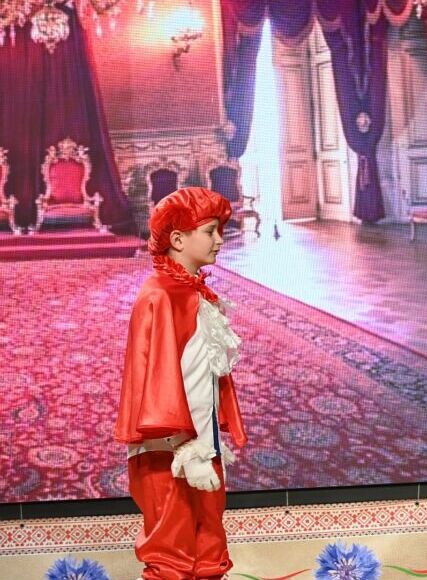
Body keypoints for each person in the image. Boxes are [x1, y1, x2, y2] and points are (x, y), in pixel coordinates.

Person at [114, 187, 248, 580]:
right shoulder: (160, 296)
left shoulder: (191, 292)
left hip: (201, 446)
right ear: (177, 239)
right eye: (210, 231)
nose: (219, 239)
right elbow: (156, 379)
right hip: (168, 451)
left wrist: (206, 446)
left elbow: (204, 377)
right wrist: (187, 449)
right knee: (172, 553)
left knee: (209, 546)